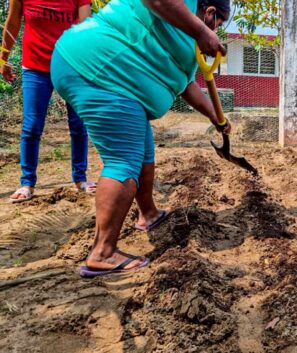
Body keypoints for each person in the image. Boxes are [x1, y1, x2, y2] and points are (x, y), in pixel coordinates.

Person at [51, 0, 231, 277]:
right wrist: (203, 32)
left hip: (110, 78)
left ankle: (148, 213)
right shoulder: (184, 12)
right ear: (209, 13)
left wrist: (217, 118)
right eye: (218, 24)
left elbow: (185, 85)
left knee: (144, 152)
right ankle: (103, 252)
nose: (217, 31)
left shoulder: (184, 33)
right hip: (99, 71)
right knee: (123, 161)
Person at [1, 0, 96, 203]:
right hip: (35, 66)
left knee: (78, 125)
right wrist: (3, 58)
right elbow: (13, 23)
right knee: (32, 127)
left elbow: (86, 27)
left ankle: (80, 179)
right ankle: (27, 183)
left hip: (71, 64)